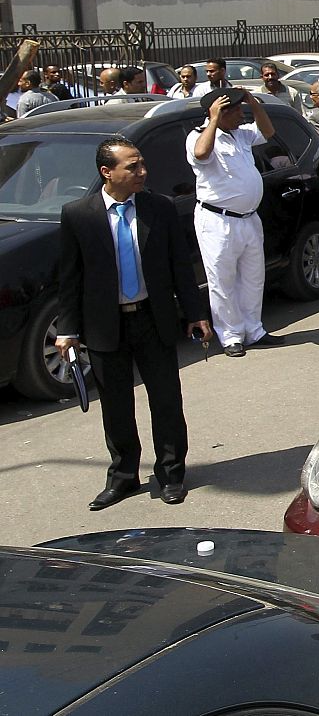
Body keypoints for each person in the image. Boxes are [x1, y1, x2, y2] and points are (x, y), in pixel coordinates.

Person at [56, 138, 211, 509]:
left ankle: (171, 474)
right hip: (105, 326)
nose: (142, 172)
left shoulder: (159, 208)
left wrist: (196, 313)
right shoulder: (79, 215)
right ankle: (123, 476)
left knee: (167, 401)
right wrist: (67, 330)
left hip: (151, 319)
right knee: (116, 405)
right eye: (132, 167)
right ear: (107, 172)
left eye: (142, 164)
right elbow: (70, 278)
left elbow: (179, 266)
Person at [187, 88, 281, 358]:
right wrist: (213, 119)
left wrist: (254, 103)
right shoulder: (199, 136)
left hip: (249, 219)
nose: (242, 115)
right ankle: (230, 335)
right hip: (218, 220)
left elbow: (268, 131)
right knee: (222, 281)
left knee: (253, 278)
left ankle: (254, 330)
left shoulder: (241, 135)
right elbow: (202, 154)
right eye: (237, 110)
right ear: (220, 112)